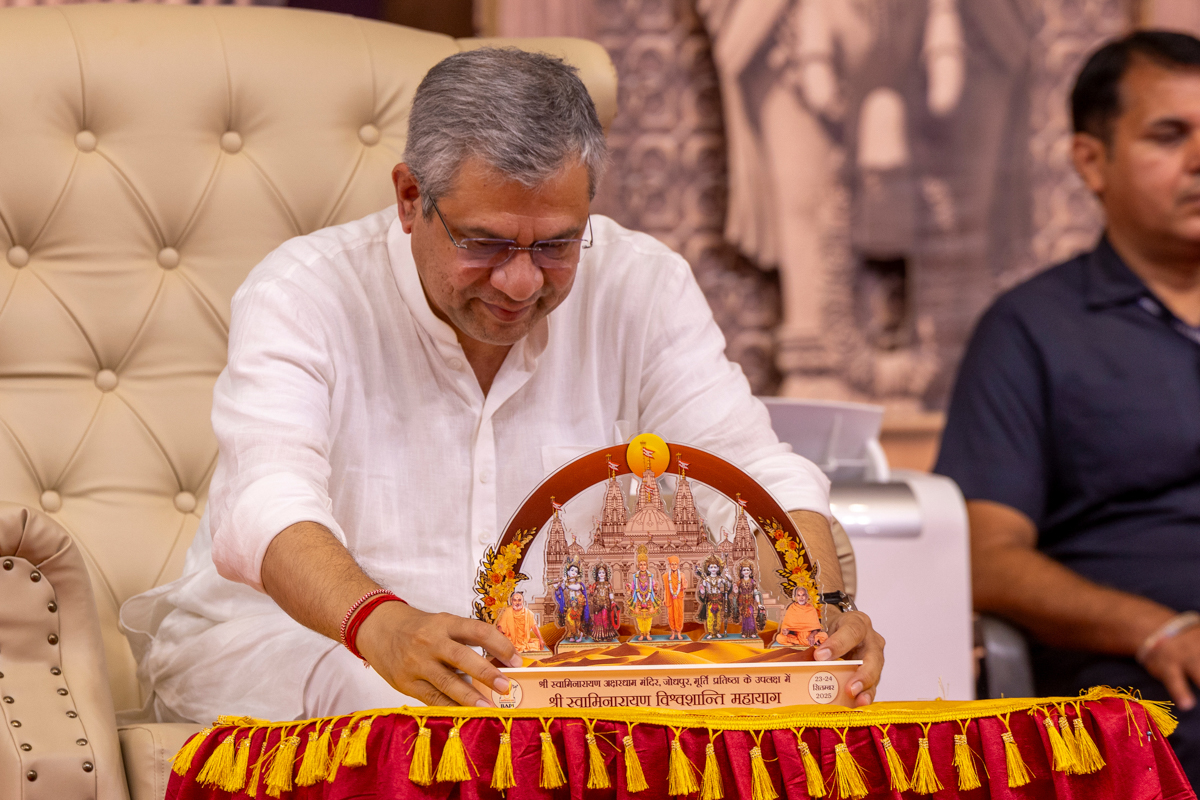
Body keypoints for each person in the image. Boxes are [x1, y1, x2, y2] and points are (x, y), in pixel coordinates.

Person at [121, 47, 883, 723]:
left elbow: (754, 473)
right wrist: (382, 625)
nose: (520, 282)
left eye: (555, 244)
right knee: (397, 709)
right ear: (410, 199)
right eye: (485, 243)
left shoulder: (642, 284)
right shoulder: (304, 291)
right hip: (310, 643)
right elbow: (264, 507)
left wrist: (820, 607)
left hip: (554, 670)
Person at [934, 31, 1200, 786]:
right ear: (1092, 161)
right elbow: (985, 560)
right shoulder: (1034, 329)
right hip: (1149, 675)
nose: (1199, 159)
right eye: (1169, 135)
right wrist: (1157, 630)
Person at [627, 546, 660, 642]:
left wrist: (655, 588)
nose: (642, 566)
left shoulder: (650, 576)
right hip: (638, 599)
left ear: (647, 565)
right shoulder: (635, 576)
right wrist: (630, 589)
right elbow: (633, 588)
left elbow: (653, 588)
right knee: (640, 618)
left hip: (649, 599)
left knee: (648, 618)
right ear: (638, 565)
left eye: (644, 564)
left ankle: (648, 633)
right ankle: (642, 633)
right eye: (640, 564)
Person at [696, 555, 733, 640]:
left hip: (718, 599)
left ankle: (717, 632)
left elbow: (728, 585)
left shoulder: (720, 579)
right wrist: (702, 591)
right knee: (710, 617)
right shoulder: (706, 579)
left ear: (718, 569)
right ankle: (711, 632)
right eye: (711, 567)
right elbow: (703, 591)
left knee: (718, 616)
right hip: (710, 600)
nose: (713, 569)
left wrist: (729, 577)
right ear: (708, 569)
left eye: (715, 567)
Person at [554, 559, 590, 643]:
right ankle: (575, 634)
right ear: (568, 572)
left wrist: (566, 583)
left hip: (578, 603)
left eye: (576, 571)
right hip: (570, 603)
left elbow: (576, 588)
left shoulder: (578, 583)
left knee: (576, 620)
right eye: (572, 570)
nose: (574, 572)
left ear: (578, 574)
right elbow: (559, 592)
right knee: (569, 619)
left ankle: (575, 634)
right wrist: (556, 587)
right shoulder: (565, 583)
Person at [587, 563, 620, 642]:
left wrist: (612, 602)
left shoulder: (608, 584)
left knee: (605, 618)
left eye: (603, 573)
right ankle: (598, 635)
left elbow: (610, 593)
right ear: (597, 574)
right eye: (599, 573)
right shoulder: (596, 584)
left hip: (606, 604)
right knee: (598, 619)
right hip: (597, 605)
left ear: (606, 574)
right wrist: (591, 592)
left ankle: (607, 634)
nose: (601, 574)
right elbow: (592, 594)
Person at [733, 561, 764, 639]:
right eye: (744, 570)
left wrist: (759, 603)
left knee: (750, 616)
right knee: (744, 617)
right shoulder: (739, 582)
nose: (746, 572)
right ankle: (744, 632)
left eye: (747, 570)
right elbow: (736, 592)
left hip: (750, 601)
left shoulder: (753, 582)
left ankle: (752, 632)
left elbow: (756, 593)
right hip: (742, 601)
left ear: (750, 571)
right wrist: (735, 589)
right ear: (741, 572)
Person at [662, 555, 687, 640]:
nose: (673, 566)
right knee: (671, 615)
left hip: (679, 598)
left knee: (679, 614)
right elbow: (666, 589)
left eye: (675, 564)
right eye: (672, 564)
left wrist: (684, 584)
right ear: (669, 565)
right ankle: (673, 632)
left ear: (678, 565)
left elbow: (684, 586)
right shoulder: (666, 576)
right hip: (670, 598)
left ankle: (679, 632)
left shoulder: (682, 575)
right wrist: (665, 599)